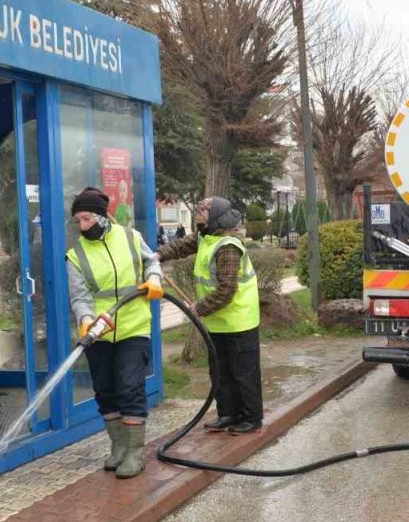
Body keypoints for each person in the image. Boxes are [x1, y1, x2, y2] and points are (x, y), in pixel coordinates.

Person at [66, 187, 163, 478]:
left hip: (134, 325)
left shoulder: (130, 237)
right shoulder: (76, 255)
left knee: (129, 386)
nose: (82, 226)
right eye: (78, 221)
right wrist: (85, 320)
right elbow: (80, 296)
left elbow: (151, 260)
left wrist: (154, 278)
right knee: (105, 389)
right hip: (100, 332)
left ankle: (135, 453)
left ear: (102, 217)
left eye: (86, 219)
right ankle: (118, 447)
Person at [157, 197, 263, 434]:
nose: (198, 211)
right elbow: (181, 246)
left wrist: (200, 308)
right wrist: (158, 255)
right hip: (217, 323)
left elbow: (227, 290)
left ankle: (251, 417)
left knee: (243, 374)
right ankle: (227, 414)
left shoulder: (227, 247)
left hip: (238, 321)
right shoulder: (206, 238)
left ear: (215, 216)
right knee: (220, 373)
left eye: (204, 209)